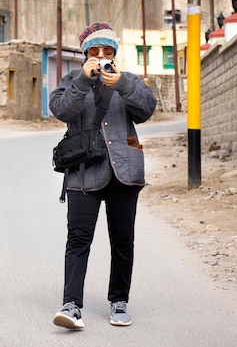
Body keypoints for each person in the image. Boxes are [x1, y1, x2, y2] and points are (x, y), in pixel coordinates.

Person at [49, 22, 156, 330]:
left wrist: (121, 84)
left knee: (123, 240)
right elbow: (60, 110)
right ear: (85, 55)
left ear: (115, 54)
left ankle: (119, 301)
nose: (100, 56)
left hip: (125, 173)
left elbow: (147, 109)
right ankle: (71, 306)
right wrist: (83, 79)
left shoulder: (129, 80)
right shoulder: (72, 80)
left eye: (106, 51)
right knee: (78, 239)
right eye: (93, 51)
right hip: (84, 173)